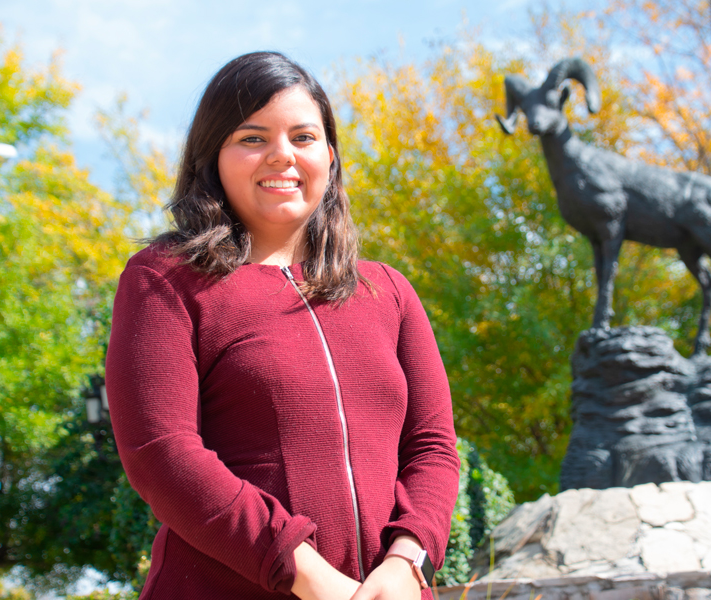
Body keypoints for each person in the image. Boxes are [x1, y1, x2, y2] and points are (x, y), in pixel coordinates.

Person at [105, 51, 460, 600]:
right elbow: (161, 453)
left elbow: (432, 448)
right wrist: (309, 576)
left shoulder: (387, 292)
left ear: (330, 156)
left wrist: (406, 561)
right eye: (252, 138)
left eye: (303, 137)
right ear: (212, 157)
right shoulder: (165, 279)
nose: (281, 156)